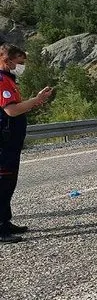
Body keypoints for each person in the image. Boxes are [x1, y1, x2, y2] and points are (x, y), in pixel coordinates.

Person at [0, 44, 53, 243]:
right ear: (8, 60)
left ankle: (5, 221)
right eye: (20, 62)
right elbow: (11, 110)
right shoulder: (2, 81)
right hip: (4, 142)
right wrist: (36, 99)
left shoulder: (8, 80)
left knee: (9, 181)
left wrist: (36, 101)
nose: (21, 66)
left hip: (10, 140)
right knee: (3, 182)